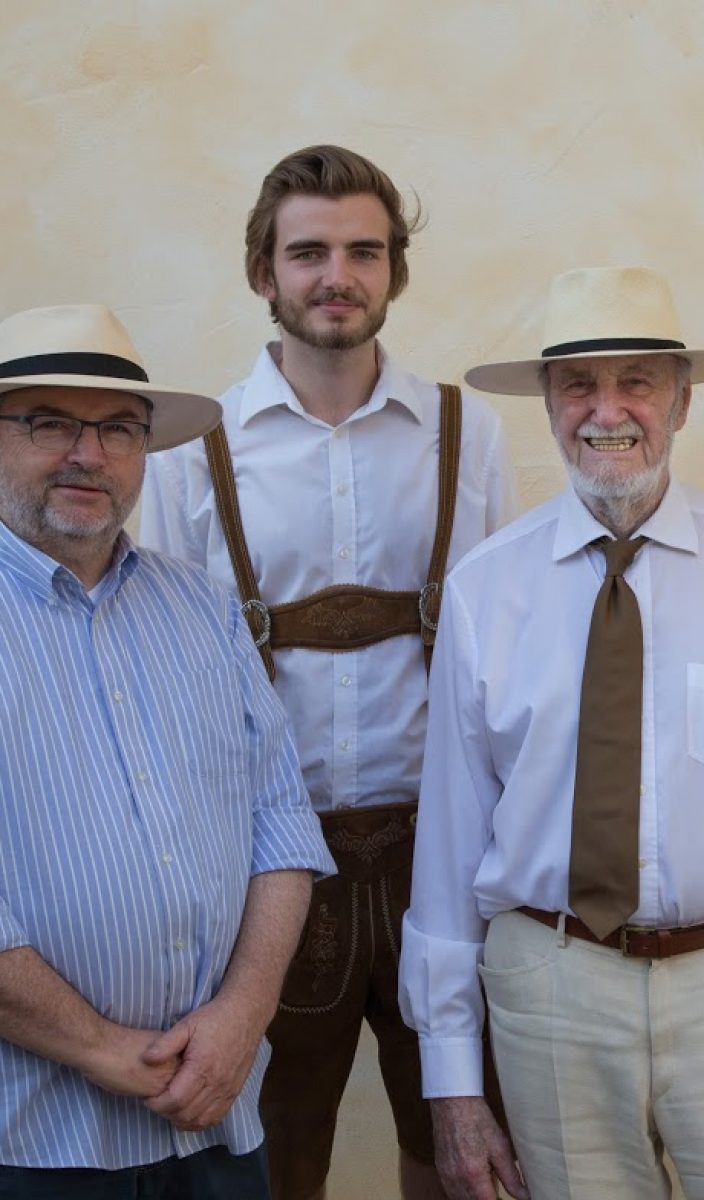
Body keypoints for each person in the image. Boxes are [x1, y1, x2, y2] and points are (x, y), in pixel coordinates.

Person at [400, 265, 704, 1200]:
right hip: (551, 995)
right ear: (548, 403)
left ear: (681, 400)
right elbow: (449, 850)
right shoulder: (486, 590)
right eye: (578, 384)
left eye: (637, 380)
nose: (607, 410)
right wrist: (453, 1084)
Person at [139, 144, 515, 1200]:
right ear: (263, 271)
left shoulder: (464, 431)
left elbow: (505, 650)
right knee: (271, 1157)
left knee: (463, 1147)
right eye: (308, 252)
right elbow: (173, 672)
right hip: (266, 873)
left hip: (441, 859)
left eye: (363, 250)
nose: (335, 275)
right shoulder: (191, 452)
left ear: (395, 269)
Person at [0, 303, 335, 1199]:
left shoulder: (204, 609)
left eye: (118, 428)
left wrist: (242, 1017)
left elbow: (283, 824)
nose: (88, 453)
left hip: (219, 1116)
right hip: (32, 1139)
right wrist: (103, 1050)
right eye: (49, 422)